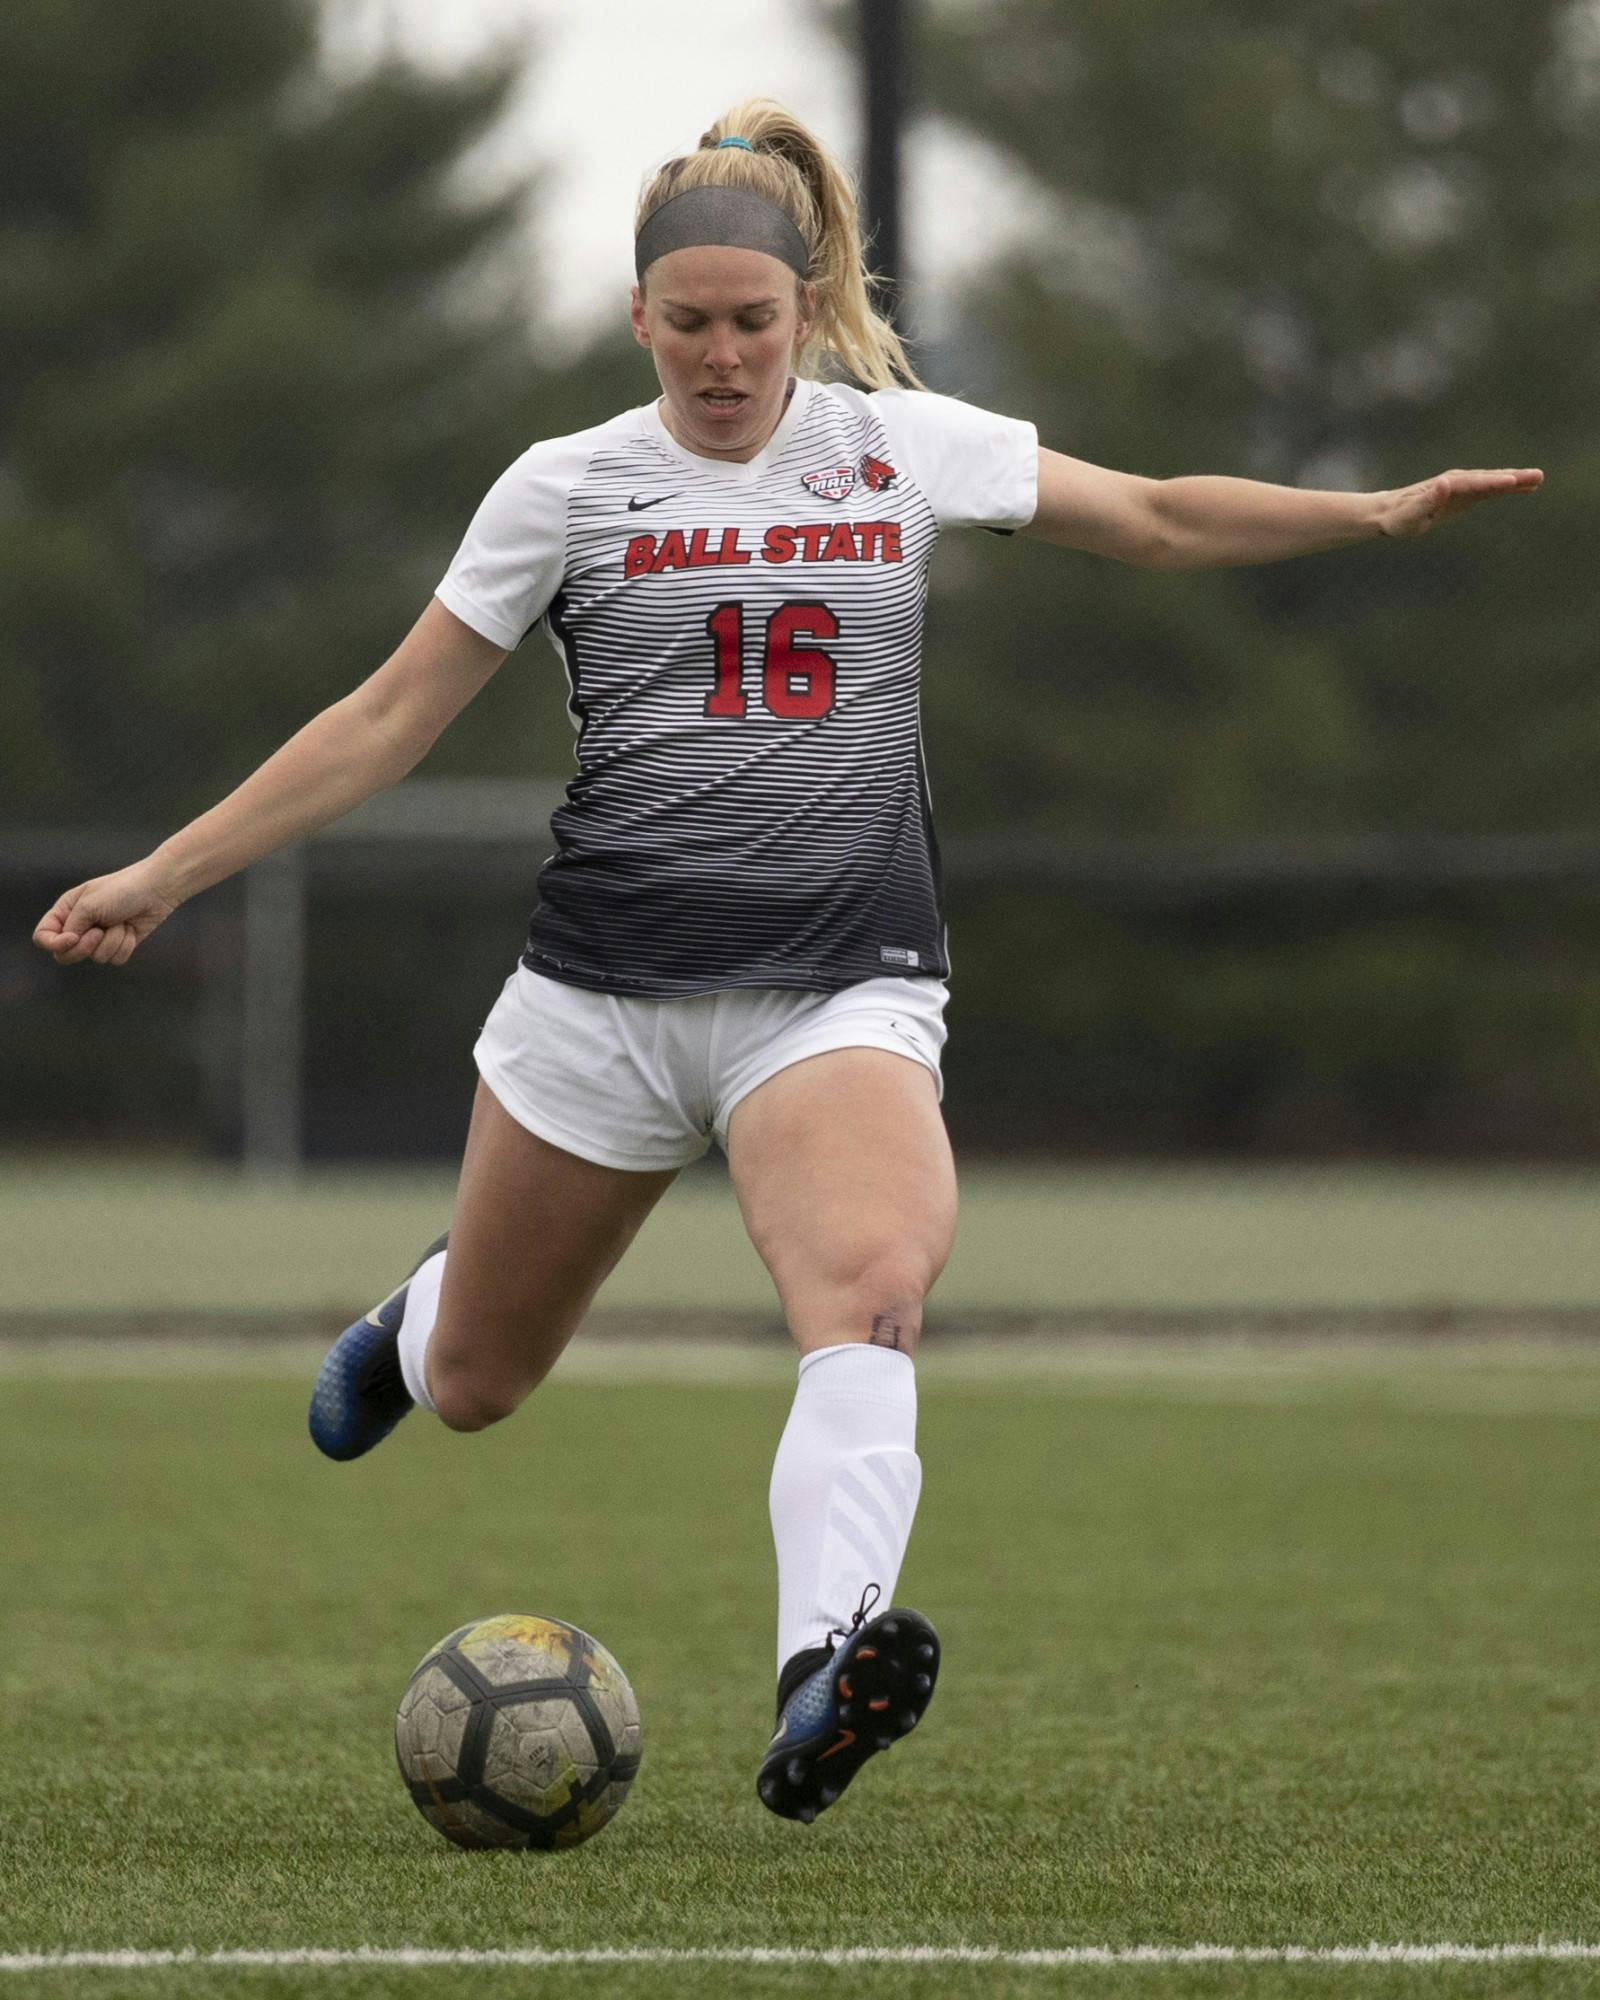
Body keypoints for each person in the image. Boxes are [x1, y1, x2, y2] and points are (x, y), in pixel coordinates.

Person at [33, 99, 1541, 1827]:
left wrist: (1371, 513)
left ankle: (826, 1667)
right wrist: (166, 872)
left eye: (756, 322)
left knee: (871, 1291)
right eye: (690, 326)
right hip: (602, 1002)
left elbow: (1156, 515)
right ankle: (420, 1317)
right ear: (638, 320)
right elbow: (384, 719)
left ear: (807, 311)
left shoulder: (895, 448)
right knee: (478, 1389)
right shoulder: (570, 486)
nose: (726, 356)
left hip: (836, 991)